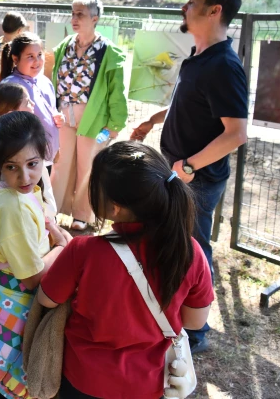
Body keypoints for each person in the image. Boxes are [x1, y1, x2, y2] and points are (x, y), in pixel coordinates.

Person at [37, 142, 214, 399]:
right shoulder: (190, 251)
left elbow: (46, 299)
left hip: (84, 380)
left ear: (115, 207)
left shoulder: (83, 251)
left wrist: (60, 249)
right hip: (150, 385)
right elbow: (195, 321)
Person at [130, 0, 248, 354]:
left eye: (193, 1)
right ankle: (172, 316)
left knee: (192, 251)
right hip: (180, 171)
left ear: (215, 10)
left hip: (197, 180)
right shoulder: (198, 55)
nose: (185, 6)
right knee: (173, 244)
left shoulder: (224, 65)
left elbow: (236, 133)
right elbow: (188, 102)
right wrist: (154, 120)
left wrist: (190, 167)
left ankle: (195, 332)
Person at [0, 111, 69, 399]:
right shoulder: (13, 207)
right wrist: (61, 247)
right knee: (2, 385)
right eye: (12, 166)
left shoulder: (5, 185)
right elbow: (33, 278)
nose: (25, 176)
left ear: (44, 155)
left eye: (32, 164)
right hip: (13, 313)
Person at [50, 0, 128, 232]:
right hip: (64, 115)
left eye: (80, 14)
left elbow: (116, 92)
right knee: (61, 163)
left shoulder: (108, 51)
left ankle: (83, 215)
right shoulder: (65, 45)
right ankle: (53, 209)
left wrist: (114, 125)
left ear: (95, 18)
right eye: (73, 13)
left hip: (94, 119)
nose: (74, 18)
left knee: (88, 166)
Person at [0, 82, 57, 224]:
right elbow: (44, 191)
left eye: (31, 164)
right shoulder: (22, 145)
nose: (32, 104)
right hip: (19, 214)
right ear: (11, 112)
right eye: (27, 101)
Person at [0, 32, 63, 173]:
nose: (37, 61)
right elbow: (4, 129)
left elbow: (51, 112)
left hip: (45, 158)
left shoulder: (45, 82)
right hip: (24, 163)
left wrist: (58, 119)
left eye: (40, 55)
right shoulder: (10, 87)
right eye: (30, 56)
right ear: (15, 59)